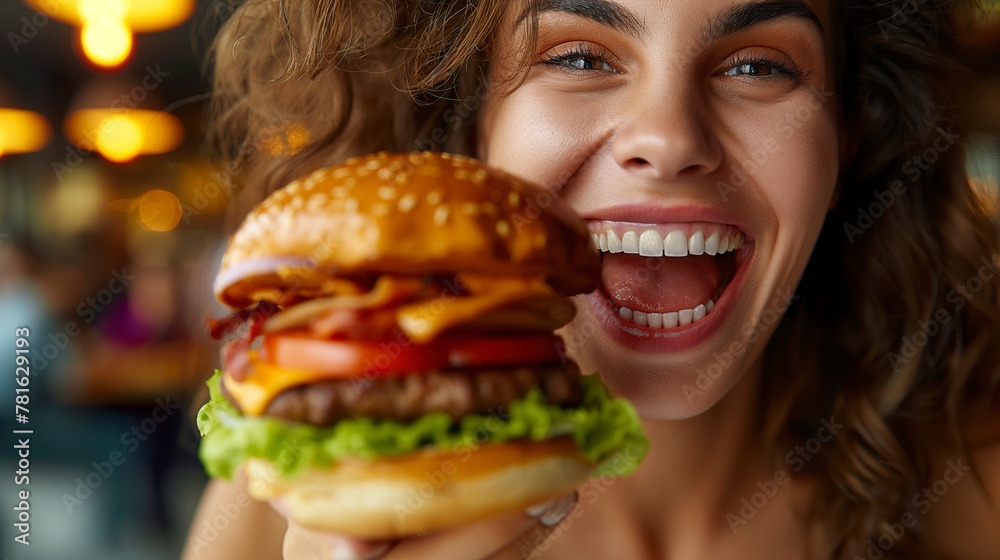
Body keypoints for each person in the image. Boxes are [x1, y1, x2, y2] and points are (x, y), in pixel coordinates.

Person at [184, 0, 1000, 558]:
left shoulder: (971, 480)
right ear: (469, 127)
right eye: (578, 55)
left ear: (851, 137)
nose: (669, 135)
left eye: (758, 67)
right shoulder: (280, 506)